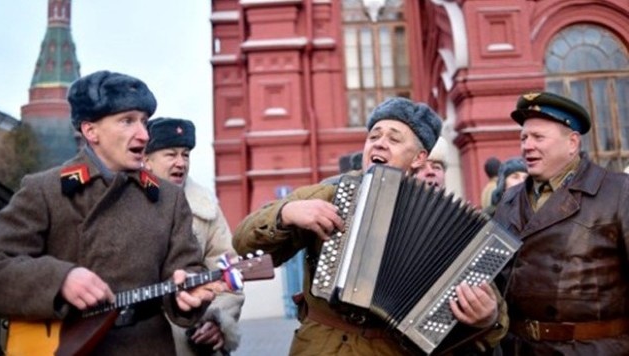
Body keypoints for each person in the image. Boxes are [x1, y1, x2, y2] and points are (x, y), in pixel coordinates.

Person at [233, 97, 508, 355]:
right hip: (324, 347)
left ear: (419, 158)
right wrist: (285, 213)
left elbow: (493, 318)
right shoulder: (330, 194)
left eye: (394, 139)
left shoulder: (448, 222)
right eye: (374, 136)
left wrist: (488, 317)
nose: (379, 143)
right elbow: (244, 243)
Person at [0, 71, 222, 355]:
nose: (144, 134)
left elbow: (187, 269)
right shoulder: (45, 190)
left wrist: (191, 295)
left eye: (144, 122)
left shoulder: (168, 198)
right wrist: (60, 279)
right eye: (127, 121)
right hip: (64, 346)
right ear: (91, 131)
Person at [493, 91, 629, 354]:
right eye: (523, 137)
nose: (526, 146)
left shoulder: (618, 192)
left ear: (572, 143)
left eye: (538, 137)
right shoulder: (509, 200)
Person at [144, 117, 244, 355]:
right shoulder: (123, 203)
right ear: (146, 160)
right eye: (171, 154)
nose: (181, 162)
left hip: (190, 342)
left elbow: (229, 277)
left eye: (185, 154)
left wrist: (217, 321)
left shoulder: (205, 208)